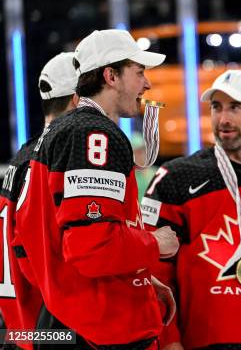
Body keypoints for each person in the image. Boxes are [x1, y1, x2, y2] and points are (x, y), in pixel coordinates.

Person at [14, 30, 179, 348]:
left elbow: (33, 236)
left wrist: (136, 276)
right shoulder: (93, 134)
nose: (147, 84)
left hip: (71, 318)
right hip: (99, 329)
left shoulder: (61, 130)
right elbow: (92, 247)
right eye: (140, 72)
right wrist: (153, 244)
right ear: (111, 75)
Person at [142, 70, 241, 349]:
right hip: (206, 340)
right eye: (216, 107)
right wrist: (168, 340)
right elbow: (153, 271)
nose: (223, 119)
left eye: (235, 107)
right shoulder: (176, 176)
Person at [0, 53, 79, 347]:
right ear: (77, 99)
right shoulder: (56, 160)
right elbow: (44, 262)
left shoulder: (23, 157)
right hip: (49, 331)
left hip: (19, 327)